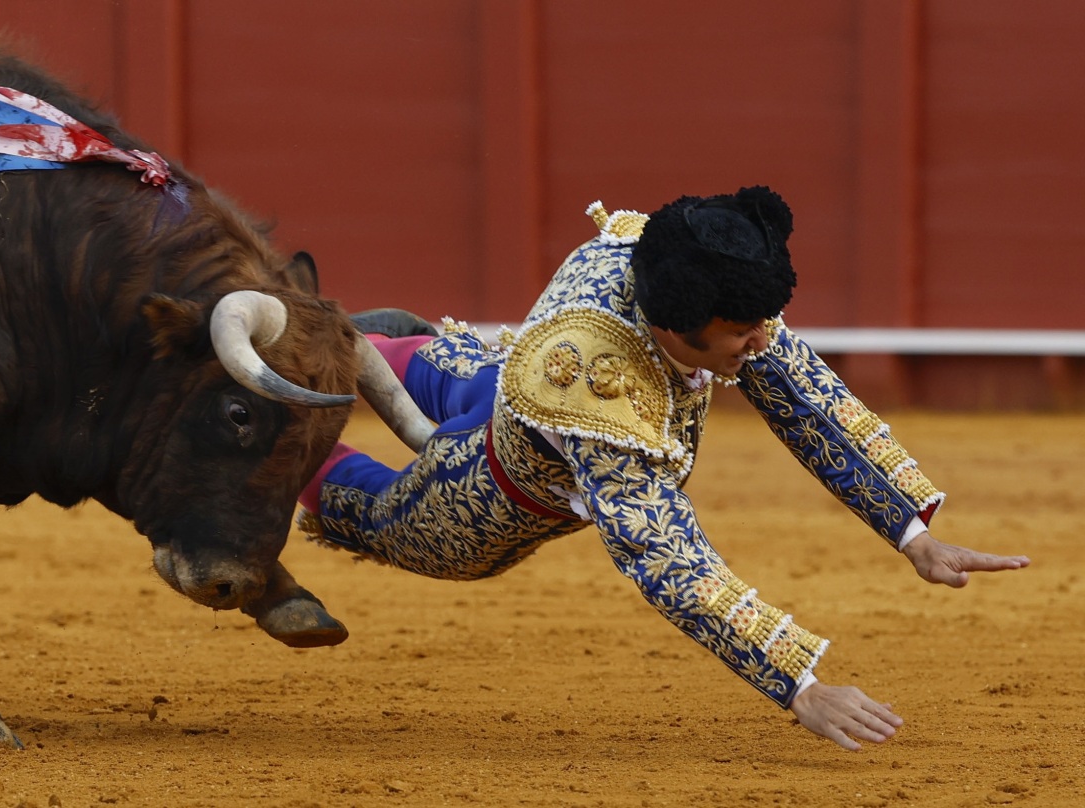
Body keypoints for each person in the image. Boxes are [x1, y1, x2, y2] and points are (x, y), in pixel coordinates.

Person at [289, 186, 1030, 751]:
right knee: (383, 514)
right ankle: (284, 449)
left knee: (476, 376)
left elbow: (805, 400)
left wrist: (912, 535)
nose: (761, 342)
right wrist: (799, 684)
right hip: (494, 488)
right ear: (676, 326)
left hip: (517, 379)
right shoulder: (603, 393)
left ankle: (360, 347)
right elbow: (666, 555)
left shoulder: (680, 269)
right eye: (741, 334)